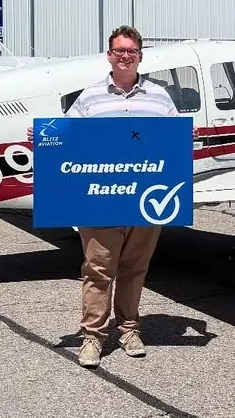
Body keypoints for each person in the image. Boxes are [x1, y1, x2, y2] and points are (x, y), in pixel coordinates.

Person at [66, 24, 182, 367]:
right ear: (109, 55)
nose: (126, 56)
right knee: (98, 270)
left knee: (134, 268)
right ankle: (92, 337)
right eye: (120, 51)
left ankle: (129, 329)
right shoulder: (89, 98)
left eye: (131, 51)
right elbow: (68, 140)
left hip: (144, 199)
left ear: (140, 56)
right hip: (100, 199)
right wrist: (43, 138)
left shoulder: (161, 98)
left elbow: (174, 144)